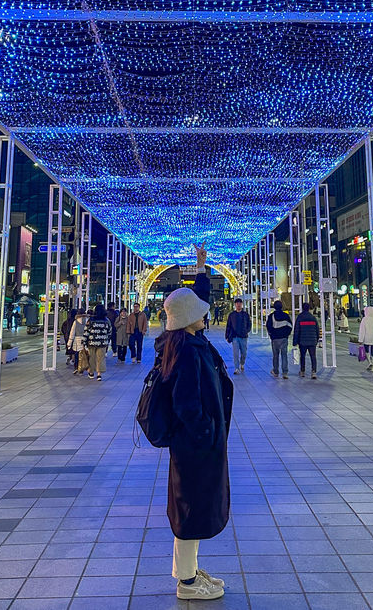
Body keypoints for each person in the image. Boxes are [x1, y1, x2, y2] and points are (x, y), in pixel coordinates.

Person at [154, 242, 232, 601]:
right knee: (190, 508)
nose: (207, 314)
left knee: (194, 506)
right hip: (194, 444)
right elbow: (186, 404)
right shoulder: (185, 351)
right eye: (201, 311)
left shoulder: (185, 339)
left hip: (195, 444)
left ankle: (188, 571)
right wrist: (206, 432)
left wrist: (202, 268)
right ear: (188, 319)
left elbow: (193, 299)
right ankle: (186, 583)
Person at [266, 300, 292, 379]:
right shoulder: (286, 316)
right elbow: (290, 326)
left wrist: (272, 336)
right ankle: (285, 372)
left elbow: (268, 327)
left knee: (275, 355)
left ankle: (276, 371)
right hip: (284, 338)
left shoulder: (271, 316)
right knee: (284, 355)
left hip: (275, 339)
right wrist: (286, 335)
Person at [293, 302, 320, 379]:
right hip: (312, 341)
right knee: (313, 356)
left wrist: (295, 341)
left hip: (302, 341)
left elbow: (297, 330)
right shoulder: (313, 318)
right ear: (308, 309)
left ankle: (302, 371)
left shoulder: (300, 317)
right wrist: (316, 339)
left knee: (303, 356)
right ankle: (314, 372)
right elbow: (317, 330)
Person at [84, 304, 111, 380]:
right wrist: (106, 339)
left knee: (92, 358)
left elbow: (86, 331)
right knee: (101, 358)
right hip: (102, 342)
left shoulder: (91, 320)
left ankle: (91, 373)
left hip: (92, 342)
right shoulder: (107, 320)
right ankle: (99, 374)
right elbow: (109, 331)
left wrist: (84, 341)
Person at [225, 298, 251, 374]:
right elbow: (228, 326)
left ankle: (242, 363)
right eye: (237, 303)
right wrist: (227, 335)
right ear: (235, 305)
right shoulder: (232, 315)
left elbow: (249, 324)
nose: (238, 305)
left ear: (242, 304)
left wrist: (246, 330)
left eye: (240, 303)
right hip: (235, 337)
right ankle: (236, 368)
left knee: (244, 353)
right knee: (235, 353)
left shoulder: (245, 314)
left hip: (243, 337)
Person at [68, 309, 89, 373]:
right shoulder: (87, 321)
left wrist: (69, 342)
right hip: (86, 340)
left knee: (77, 355)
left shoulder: (75, 322)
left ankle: (76, 367)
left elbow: (72, 332)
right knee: (85, 355)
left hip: (77, 341)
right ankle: (84, 367)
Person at [358, 305, 373, 372]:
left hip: (366, 338)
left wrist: (360, 339)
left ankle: (370, 362)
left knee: (366, 350)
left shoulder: (364, 319)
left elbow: (362, 330)